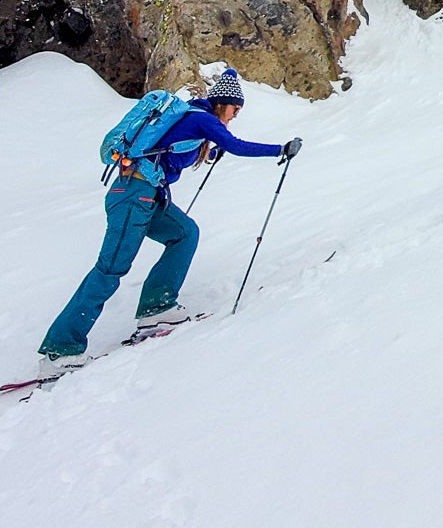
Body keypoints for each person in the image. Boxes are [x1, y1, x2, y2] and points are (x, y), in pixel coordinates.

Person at [38, 68, 300, 370]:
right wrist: (280, 149)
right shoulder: (202, 119)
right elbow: (236, 145)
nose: (235, 115)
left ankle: (157, 308)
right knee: (110, 270)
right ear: (221, 103)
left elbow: (173, 152)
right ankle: (60, 350)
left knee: (184, 233)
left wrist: (211, 154)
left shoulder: (193, 121)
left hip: (146, 197)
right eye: (234, 108)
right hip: (134, 196)